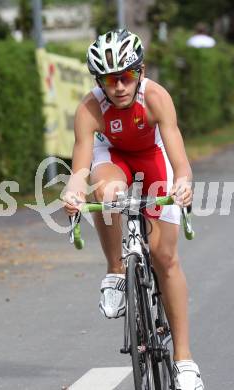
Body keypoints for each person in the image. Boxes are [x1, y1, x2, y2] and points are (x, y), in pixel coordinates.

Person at [63, 29, 204, 390]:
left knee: (165, 257)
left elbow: (179, 160)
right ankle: (115, 268)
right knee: (106, 192)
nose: (119, 86)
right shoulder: (89, 107)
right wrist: (74, 192)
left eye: (126, 76)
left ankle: (184, 360)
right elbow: (80, 166)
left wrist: (183, 184)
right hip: (114, 159)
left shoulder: (156, 98)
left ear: (139, 73)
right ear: (100, 81)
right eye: (110, 80)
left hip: (154, 158)